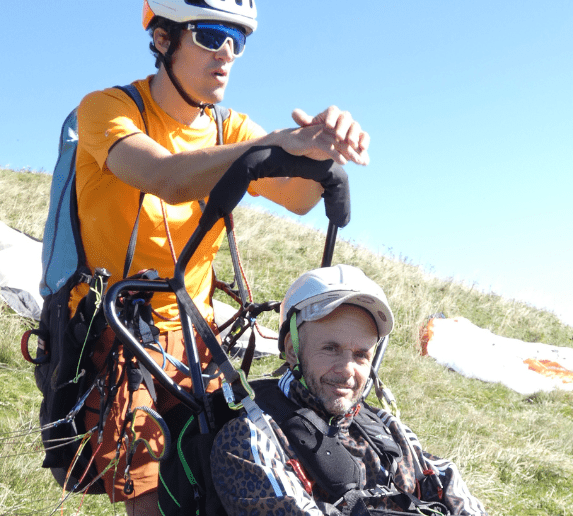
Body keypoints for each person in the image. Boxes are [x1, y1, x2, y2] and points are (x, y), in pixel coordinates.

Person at [73, 1, 370, 512]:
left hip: (195, 335)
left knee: (216, 473)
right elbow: (165, 177)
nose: (227, 53)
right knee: (144, 492)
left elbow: (298, 197)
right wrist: (275, 143)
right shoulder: (108, 108)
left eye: (239, 40)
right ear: (163, 39)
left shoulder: (228, 127)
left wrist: (319, 150)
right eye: (210, 35)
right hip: (116, 334)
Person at [210, 265, 488, 515]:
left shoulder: (385, 426)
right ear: (293, 351)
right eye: (331, 349)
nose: (347, 369)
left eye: (361, 355)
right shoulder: (252, 437)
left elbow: (443, 477)